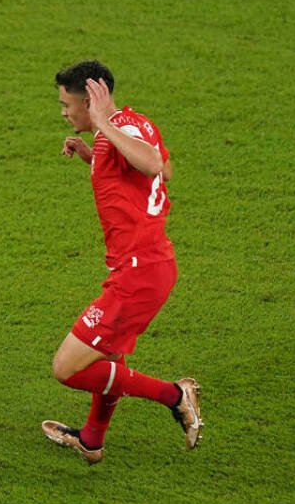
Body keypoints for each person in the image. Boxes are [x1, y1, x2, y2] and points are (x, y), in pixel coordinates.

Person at [41, 60, 201, 465]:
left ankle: (174, 394)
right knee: (107, 356)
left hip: (139, 272)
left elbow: (150, 164)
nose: (63, 112)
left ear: (90, 100)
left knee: (68, 368)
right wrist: (93, 153)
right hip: (149, 266)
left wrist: (102, 126)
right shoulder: (136, 123)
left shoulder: (118, 129)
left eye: (67, 104)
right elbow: (164, 169)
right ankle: (92, 440)